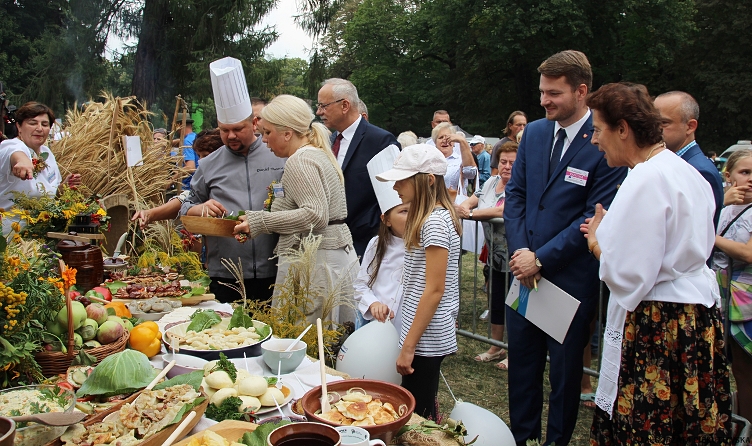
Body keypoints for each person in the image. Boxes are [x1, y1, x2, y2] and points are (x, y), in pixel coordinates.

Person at [584, 82, 731, 445]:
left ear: (622, 129)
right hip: (691, 313)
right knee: (685, 420)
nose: (595, 140)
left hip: (660, 320)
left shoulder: (647, 177)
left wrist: (597, 243)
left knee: (651, 424)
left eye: (599, 130)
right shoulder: (682, 170)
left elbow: (631, 274)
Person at [503, 50, 627, 446]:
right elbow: (517, 195)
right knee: (522, 372)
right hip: (525, 276)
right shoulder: (535, 133)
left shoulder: (603, 139)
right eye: (542, 92)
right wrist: (523, 254)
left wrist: (541, 258)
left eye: (554, 93)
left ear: (582, 91)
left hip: (570, 281)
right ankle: (522, 439)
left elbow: (594, 215)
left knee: (564, 378)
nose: (544, 101)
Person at [233, 94, 356, 324]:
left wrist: (261, 221)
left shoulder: (300, 160)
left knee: (310, 337)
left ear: (287, 133)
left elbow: (315, 215)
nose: (264, 140)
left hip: (317, 261)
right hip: (328, 256)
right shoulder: (315, 153)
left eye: (267, 132)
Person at [180, 57, 285, 304]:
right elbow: (186, 207)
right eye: (224, 130)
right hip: (225, 273)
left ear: (254, 123)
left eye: (238, 129)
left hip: (275, 269)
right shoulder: (209, 164)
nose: (230, 136)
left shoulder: (279, 155)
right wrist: (201, 208)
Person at [376, 144, 461, 420]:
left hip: (426, 336)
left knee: (418, 413)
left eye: (402, 180)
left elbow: (434, 290)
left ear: (428, 180)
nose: (395, 187)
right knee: (420, 402)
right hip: (424, 331)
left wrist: (409, 346)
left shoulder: (434, 222)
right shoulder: (434, 217)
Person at [316, 78, 400, 258]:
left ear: (345, 105)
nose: (319, 112)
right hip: (331, 244)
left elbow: (394, 196)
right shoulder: (329, 141)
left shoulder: (380, 141)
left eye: (324, 106)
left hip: (366, 244)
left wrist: (370, 228)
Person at [458, 140, 516, 370]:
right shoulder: (492, 182)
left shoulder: (521, 185)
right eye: (503, 161)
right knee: (496, 300)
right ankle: (496, 346)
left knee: (515, 304)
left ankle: (514, 349)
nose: (507, 166)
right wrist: (465, 207)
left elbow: (502, 210)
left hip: (516, 256)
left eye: (512, 162)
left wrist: (471, 214)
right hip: (495, 256)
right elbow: (471, 199)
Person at [711, 149, 752, 434]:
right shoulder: (722, 209)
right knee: (733, 369)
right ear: (728, 176)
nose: (750, 179)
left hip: (746, 301)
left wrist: (710, 236)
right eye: (745, 172)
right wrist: (720, 204)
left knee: (746, 371)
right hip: (721, 296)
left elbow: (748, 253)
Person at [353, 162, 409, 332]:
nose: (413, 215)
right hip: (378, 328)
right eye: (404, 211)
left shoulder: (425, 246)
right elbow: (360, 285)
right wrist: (373, 303)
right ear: (386, 219)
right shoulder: (376, 244)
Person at [654, 91, 723, 227]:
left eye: (664, 123)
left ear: (690, 126)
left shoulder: (699, 171)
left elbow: (697, 232)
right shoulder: (673, 163)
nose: (655, 129)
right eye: (653, 122)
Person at [0, 102, 82, 217]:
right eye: (33, 123)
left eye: (44, 124)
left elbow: (48, 196)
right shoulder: (10, 145)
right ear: (19, 126)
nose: (39, 129)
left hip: (42, 225)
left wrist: (63, 187)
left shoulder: (47, 153)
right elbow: (15, 152)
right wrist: (23, 161)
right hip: (11, 227)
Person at [133, 129, 223, 228]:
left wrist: (172, 179)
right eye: (199, 156)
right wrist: (150, 214)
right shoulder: (203, 180)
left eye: (205, 156)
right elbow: (186, 200)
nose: (200, 161)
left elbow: (190, 167)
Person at [431, 122, 476, 196]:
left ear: (454, 142)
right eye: (441, 137)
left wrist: (463, 141)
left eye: (448, 138)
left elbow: (471, 173)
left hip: (455, 201)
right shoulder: (429, 160)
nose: (445, 140)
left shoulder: (461, 160)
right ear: (435, 142)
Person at [491, 111, 527, 175]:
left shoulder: (527, 145)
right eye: (519, 125)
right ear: (510, 126)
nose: (522, 128)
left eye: (524, 125)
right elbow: (494, 173)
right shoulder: (500, 145)